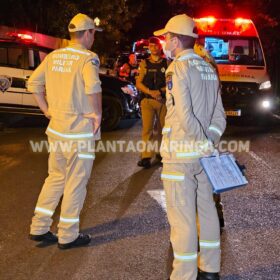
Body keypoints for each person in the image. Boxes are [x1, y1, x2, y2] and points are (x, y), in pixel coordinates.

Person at [154, 14, 226, 279]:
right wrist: (209, 143)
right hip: (203, 157)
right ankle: (210, 269)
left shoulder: (177, 68)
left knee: (182, 217)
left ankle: (183, 274)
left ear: (175, 40)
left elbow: (184, 115)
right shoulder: (208, 67)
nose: (163, 42)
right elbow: (220, 116)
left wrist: (201, 143)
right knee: (206, 210)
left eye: (165, 38)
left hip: (180, 155)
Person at [28, 13, 102, 249]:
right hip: (79, 132)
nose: (93, 39)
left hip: (57, 130)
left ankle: (39, 227)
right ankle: (68, 235)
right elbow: (93, 86)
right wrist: (98, 114)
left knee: (55, 178)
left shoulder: (53, 56)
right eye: (93, 34)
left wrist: (47, 110)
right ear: (88, 33)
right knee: (76, 183)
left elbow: (33, 84)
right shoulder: (88, 58)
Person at [136, 37, 167, 169]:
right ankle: (146, 157)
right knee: (147, 129)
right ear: (148, 47)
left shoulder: (167, 63)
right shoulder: (144, 63)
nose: (153, 48)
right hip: (147, 100)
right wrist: (150, 92)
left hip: (162, 100)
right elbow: (138, 83)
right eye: (151, 46)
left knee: (163, 130)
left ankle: (162, 154)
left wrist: (160, 91)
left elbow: (172, 83)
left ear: (160, 47)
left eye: (156, 46)